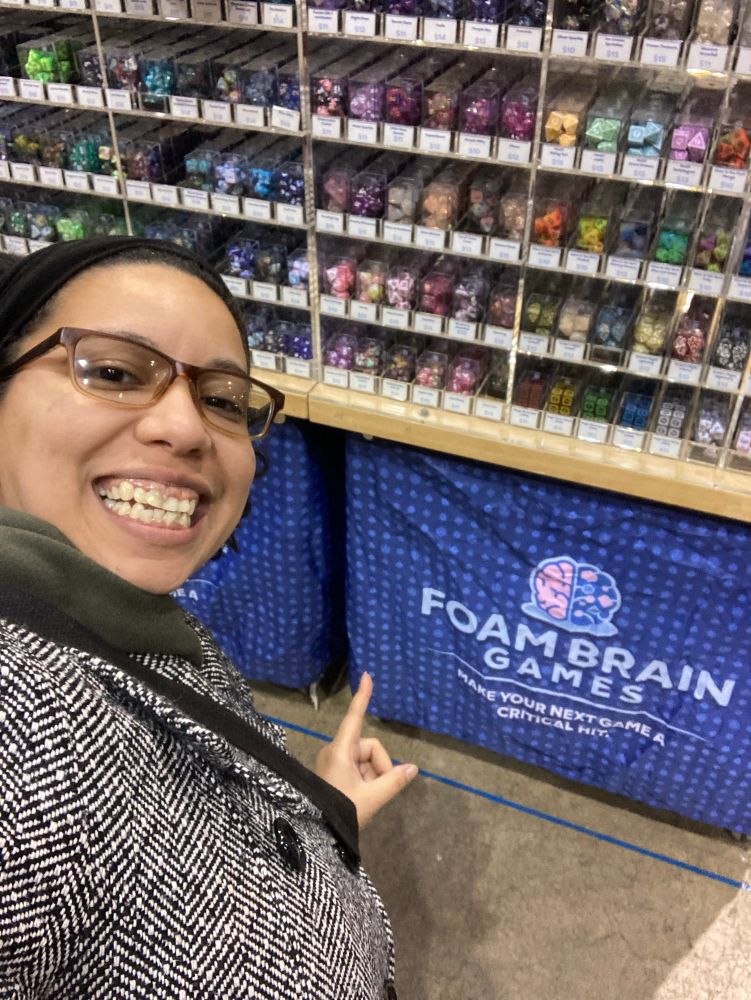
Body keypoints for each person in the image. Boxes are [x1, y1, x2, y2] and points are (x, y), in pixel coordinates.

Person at [0, 237, 417, 999]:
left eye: (222, 400)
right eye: (114, 372)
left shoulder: (117, 618)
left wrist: (310, 814)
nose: (187, 428)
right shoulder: (22, 717)